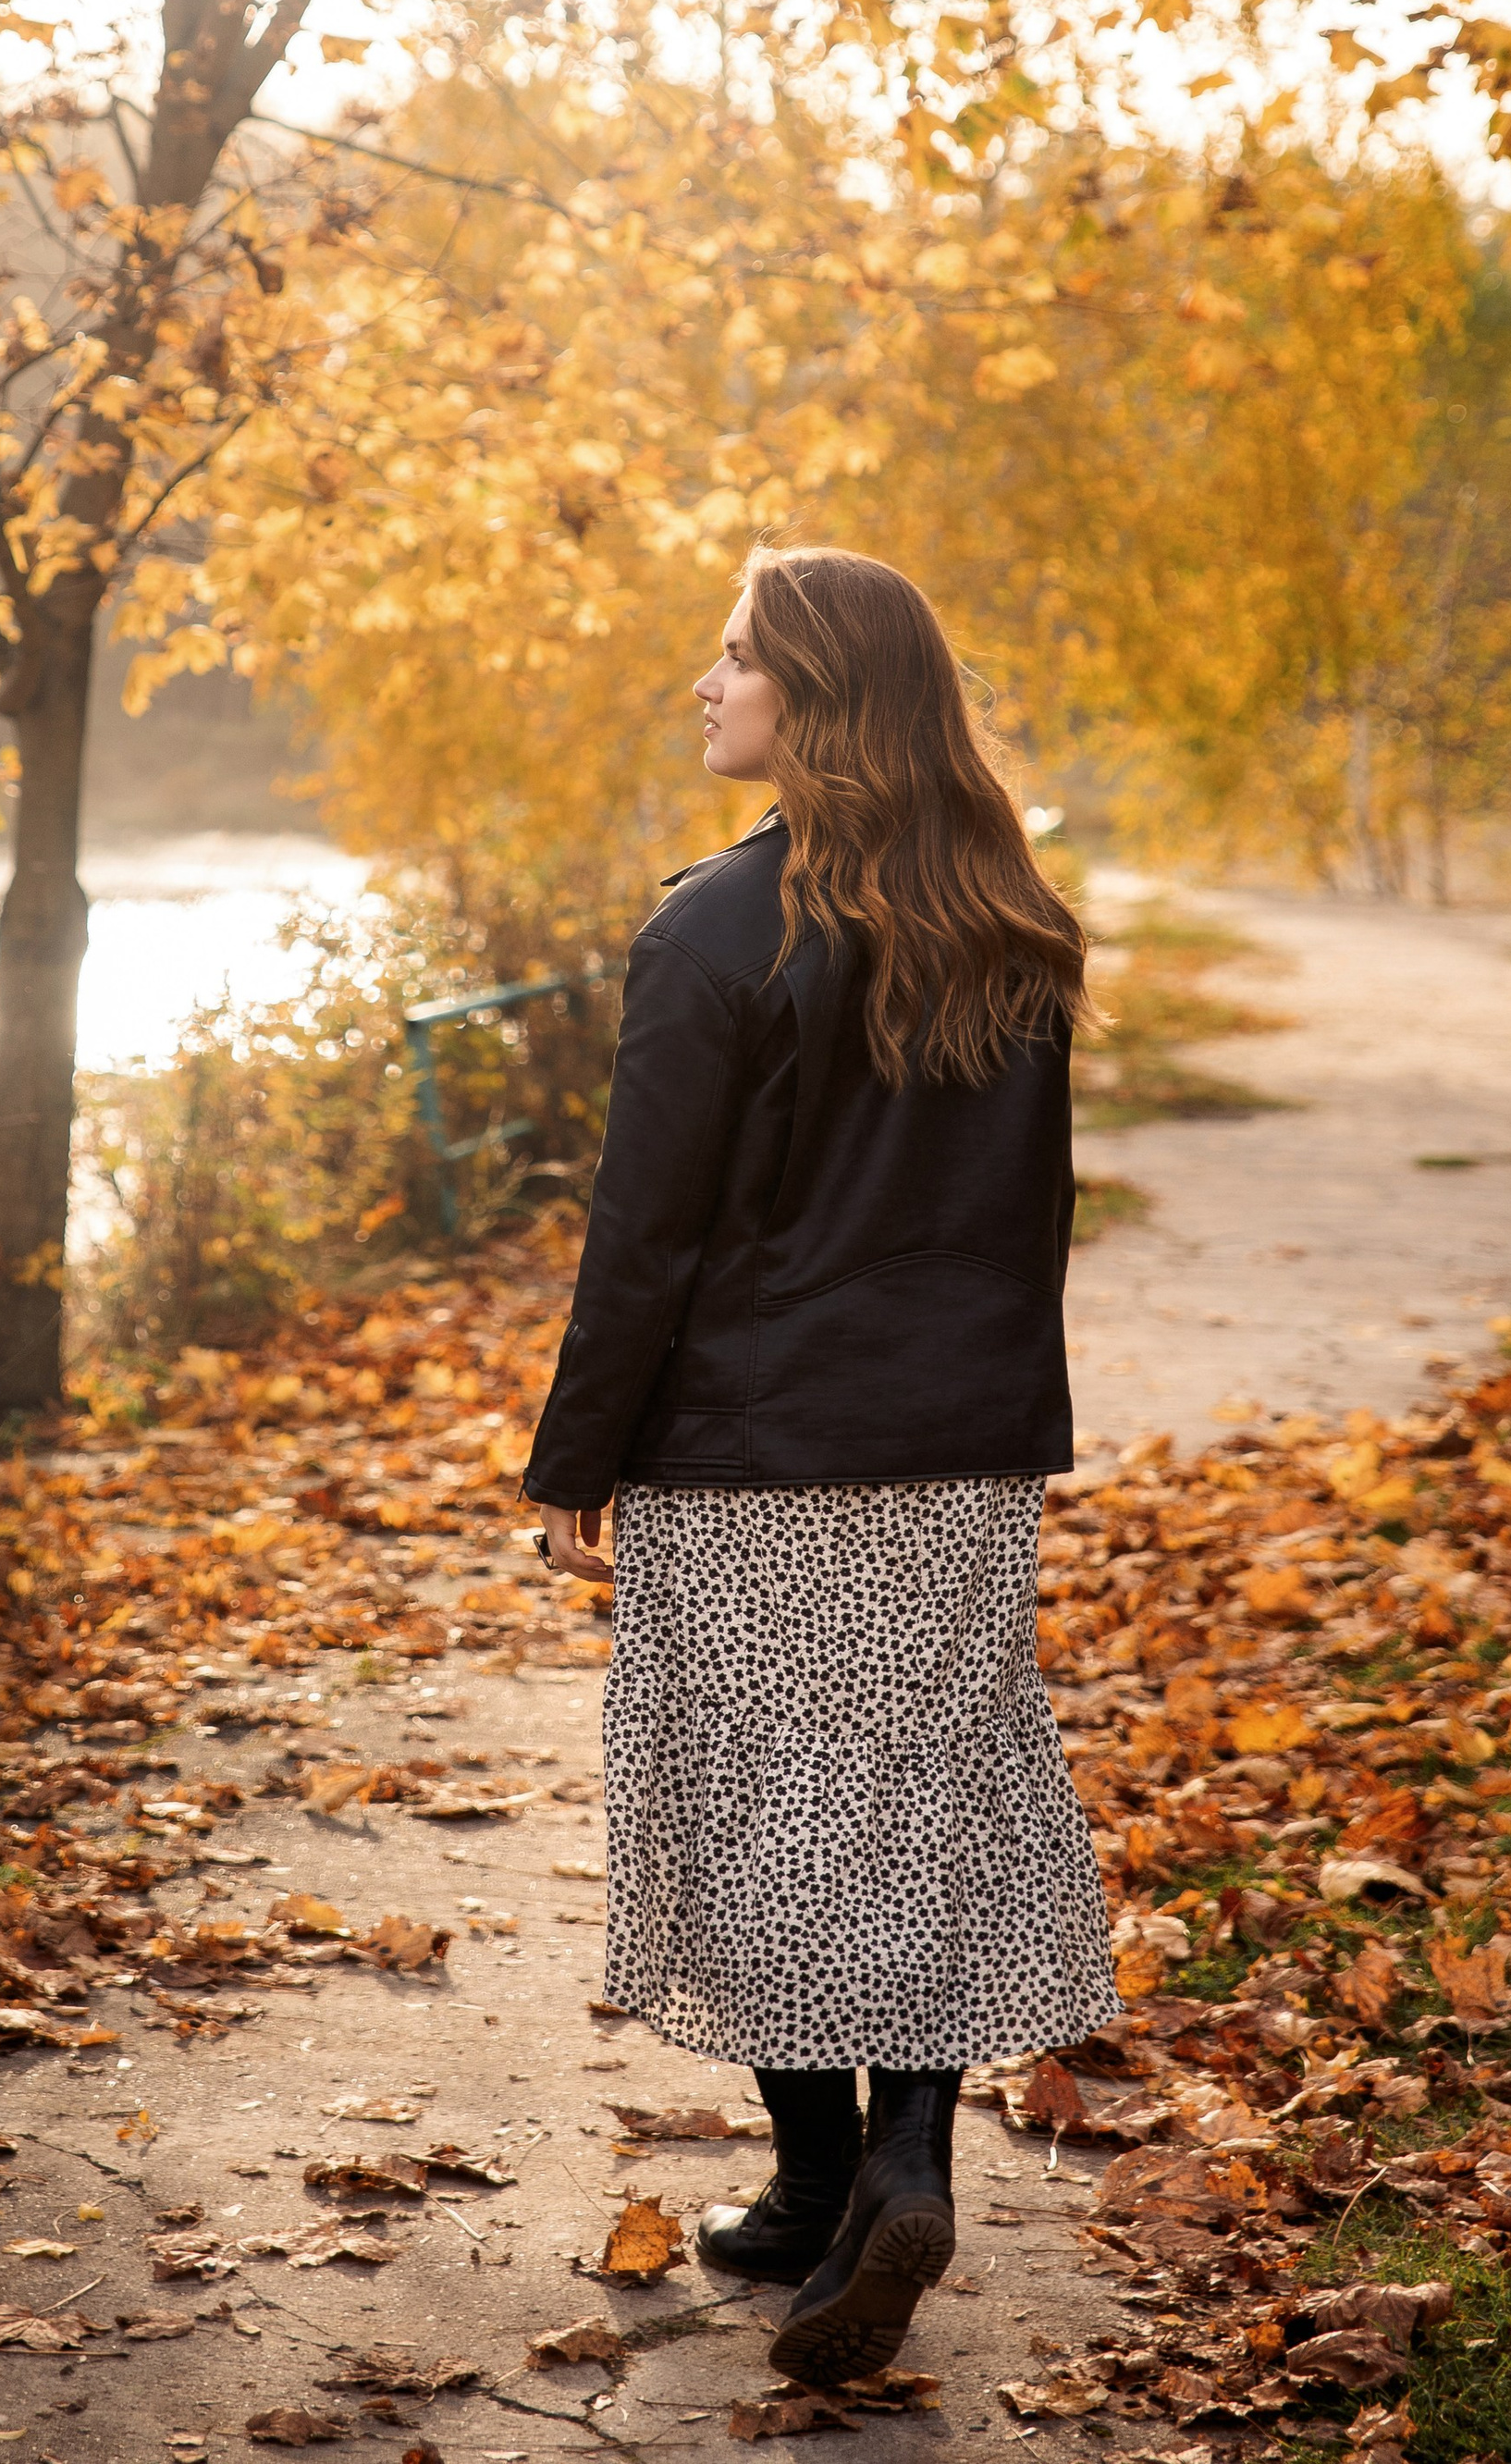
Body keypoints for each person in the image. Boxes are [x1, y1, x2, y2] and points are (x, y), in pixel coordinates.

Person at [522, 543, 1119, 2390]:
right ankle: (902, 2163)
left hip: (759, 1450)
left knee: (766, 1803)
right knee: (919, 1789)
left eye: (731, 660)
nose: (700, 688)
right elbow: (1033, 1215)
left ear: (819, 699)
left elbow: (648, 1233)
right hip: (958, 1448)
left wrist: (576, 1454)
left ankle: (806, 2183)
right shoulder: (1011, 917)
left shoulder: (715, 930)